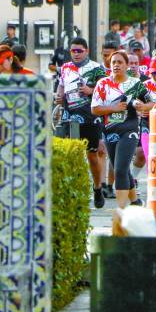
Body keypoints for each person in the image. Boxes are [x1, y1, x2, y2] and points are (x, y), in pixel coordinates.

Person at [91, 50, 153, 208]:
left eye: (120, 62)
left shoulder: (135, 84)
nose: (116, 65)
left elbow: (152, 103)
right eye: (113, 63)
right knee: (123, 170)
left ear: (126, 66)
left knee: (119, 170)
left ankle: (121, 212)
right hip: (110, 131)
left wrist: (143, 106)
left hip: (129, 129)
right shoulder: (102, 84)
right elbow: (95, 109)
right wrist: (113, 108)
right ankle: (135, 202)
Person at [56, 37, 108, 208]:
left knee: (92, 156)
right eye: (73, 51)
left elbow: (105, 91)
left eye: (79, 51)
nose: (76, 54)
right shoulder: (65, 67)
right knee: (71, 155)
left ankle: (98, 187)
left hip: (90, 117)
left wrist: (90, 90)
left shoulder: (96, 68)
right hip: (69, 116)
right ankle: (73, 192)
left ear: (87, 51)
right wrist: (59, 95)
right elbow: (61, 85)